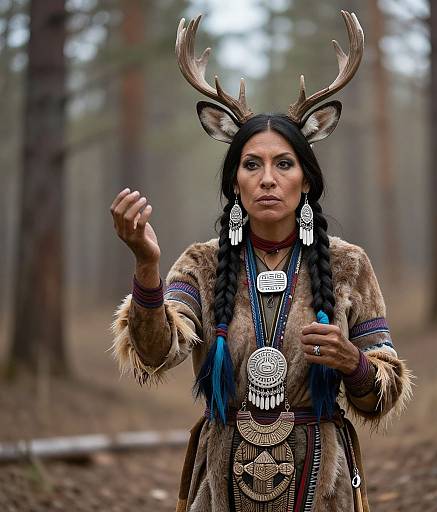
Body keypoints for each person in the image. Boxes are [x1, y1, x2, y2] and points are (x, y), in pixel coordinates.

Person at [110, 11, 412, 512]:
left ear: (307, 180)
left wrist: (353, 363)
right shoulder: (201, 264)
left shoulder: (349, 266)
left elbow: (380, 395)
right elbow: (157, 353)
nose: (267, 179)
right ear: (234, 182)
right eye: (252, 165)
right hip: (222, 484)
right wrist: (146, 266)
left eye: (284, 164)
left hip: (321, 486)